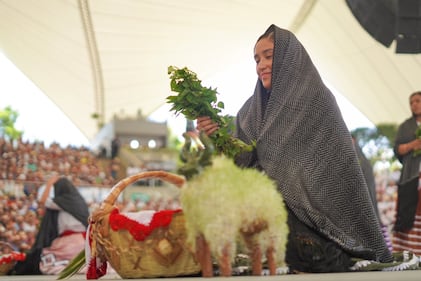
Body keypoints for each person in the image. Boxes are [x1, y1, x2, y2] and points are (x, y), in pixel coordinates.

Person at [196, 24, 393, 273]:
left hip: (318, 226)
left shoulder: (317, 100)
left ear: (289, 58)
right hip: (267, 222)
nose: (261, 65)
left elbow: (323, 170)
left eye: (269, 55)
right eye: (257, 59)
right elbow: (241, 161)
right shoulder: (250, 111)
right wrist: (217, 134)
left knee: (316, 256)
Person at [10, 175, 89, 275]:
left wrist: (49, 184)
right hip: (84, 243)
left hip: (69, 243)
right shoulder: (80, 201)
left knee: (43, 257)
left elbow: (42, 201)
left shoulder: (62, 202)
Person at [392, 90, 421, 255]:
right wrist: (413, 145)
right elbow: (397, 150)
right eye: (412, 102)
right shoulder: (405, 127)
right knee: (409, 213)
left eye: (417, 101)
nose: (414, 105)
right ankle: (410, 253)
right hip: (410, 177)